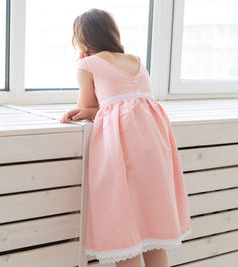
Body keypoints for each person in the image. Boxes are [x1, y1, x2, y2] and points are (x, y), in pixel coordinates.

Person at [60, 8, 192, 267]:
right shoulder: (136, 61)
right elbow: (125, 101)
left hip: (121, 147)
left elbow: (90, 106)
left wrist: (80, 110)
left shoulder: (87, 64)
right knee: (153, 230)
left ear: (84, 41)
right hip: (154, 143)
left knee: (124, 221)